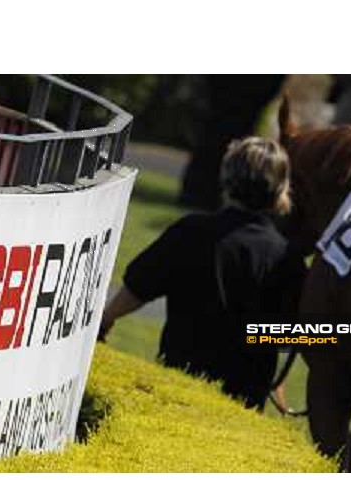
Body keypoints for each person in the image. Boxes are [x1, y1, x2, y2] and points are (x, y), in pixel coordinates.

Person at [100, 137, 305, 410]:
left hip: (175, 386)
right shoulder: (285, 257)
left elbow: (138, 288)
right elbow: (293, 335)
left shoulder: (190, 231)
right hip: (242, 401)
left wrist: (106, 319)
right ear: (281, 189)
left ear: (226, 178)